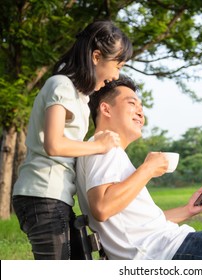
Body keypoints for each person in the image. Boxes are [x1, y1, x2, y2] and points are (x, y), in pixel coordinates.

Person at [75, 75, 202, 260]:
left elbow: (144, 225)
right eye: (132, 103)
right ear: (106, 109)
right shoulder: (103, 146)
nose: (140, 111)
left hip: (172, 244)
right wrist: (147, 169)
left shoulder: (110, 152)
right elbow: (102, 208)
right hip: (167, 252)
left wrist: (188, 210)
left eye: (141, 106)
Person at [12, 20, 133, 260]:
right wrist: (98, 146)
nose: (116, 75)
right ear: (96, 57)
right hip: (42, 193)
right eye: (118, 65)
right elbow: (54, 144)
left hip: (56, 196)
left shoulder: (80, 97)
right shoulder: (62, 85)